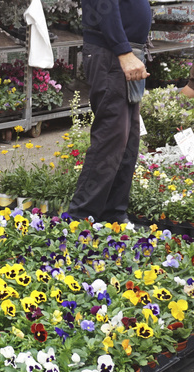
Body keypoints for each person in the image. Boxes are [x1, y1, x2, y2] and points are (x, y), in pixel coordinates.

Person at [69, 0, 151, 224]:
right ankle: (79, 219)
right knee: (111, 138)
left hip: (125, 53)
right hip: (112, 54)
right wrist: (123, 51)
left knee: (128, 141)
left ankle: (113, 216)